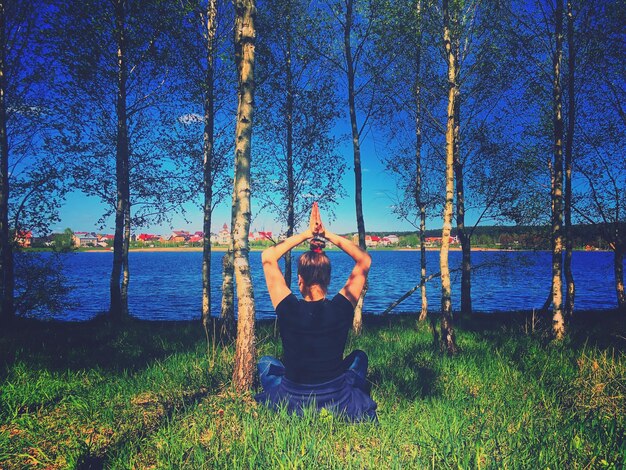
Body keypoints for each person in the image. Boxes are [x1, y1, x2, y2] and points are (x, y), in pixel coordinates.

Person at [255, 202, 377, 422]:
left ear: (299, 280)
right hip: (336, 399)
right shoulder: (341, 307)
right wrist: (326, 234)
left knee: (265, 362)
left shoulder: (287, 308)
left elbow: (268, 257)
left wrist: (306, 234)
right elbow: (364, 260)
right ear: (328, 280)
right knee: (359, 356)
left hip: (292, 399)